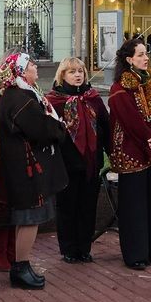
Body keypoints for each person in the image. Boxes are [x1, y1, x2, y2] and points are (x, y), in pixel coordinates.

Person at [0, 53, 68, 289]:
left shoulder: (22, 94)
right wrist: (59, 127)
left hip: (27, 167)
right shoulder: (19, 98)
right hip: (26, 170)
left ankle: (22, 265)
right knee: (29, 218)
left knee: (30, 219)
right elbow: (40, 128)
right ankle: (20, 267)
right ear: (22, 72)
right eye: (33, 66)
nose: (36, 69)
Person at [106, 38, 151, 270]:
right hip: (132, 151)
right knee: (134, 205)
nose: (146, 58)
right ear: (129, 59)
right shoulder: (119, 88)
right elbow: (129, 119)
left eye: (146, 54)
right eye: (141, 55)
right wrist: (148, 141)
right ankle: (136, 254)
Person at [47, 58, 107, 264]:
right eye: (72, 72)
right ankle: (69, 249)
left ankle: (84, 248)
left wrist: (110, 153)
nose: (77, 75)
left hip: (91, 162)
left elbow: (105, 127)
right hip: (66, 163)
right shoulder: (54, 101)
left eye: (80, 71)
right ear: (62, 75)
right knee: (67, 207)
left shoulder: (94, 98)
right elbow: (49, 133)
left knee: (88, 207)